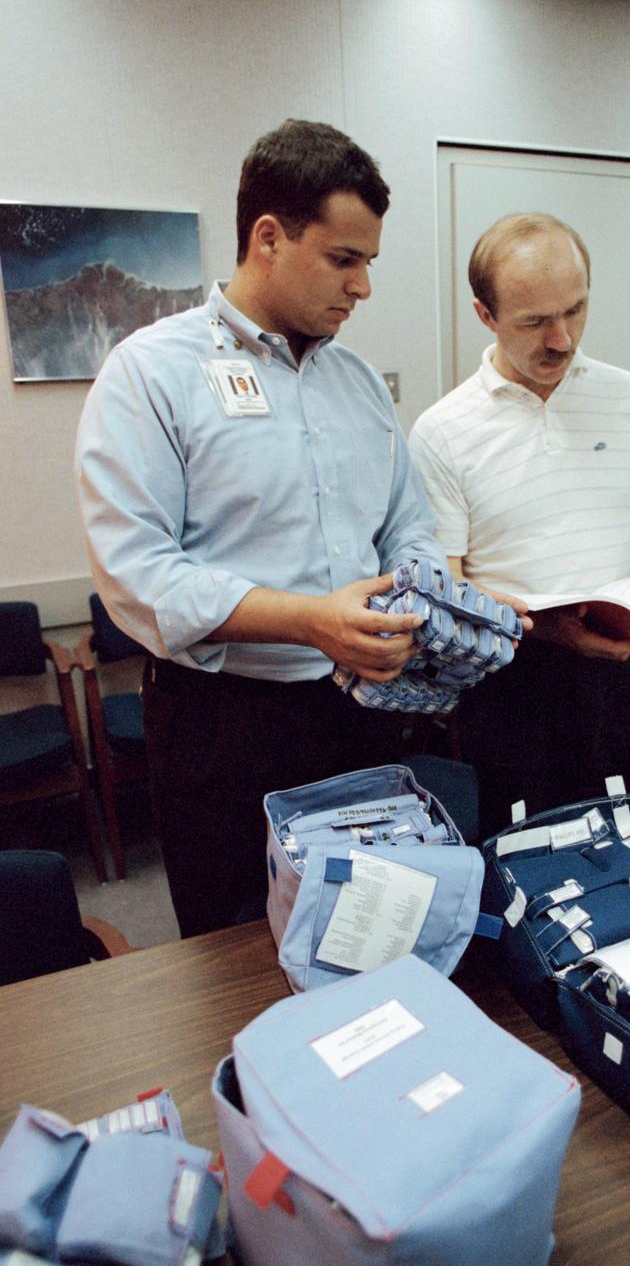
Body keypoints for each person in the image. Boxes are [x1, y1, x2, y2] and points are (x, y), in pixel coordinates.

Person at [75, 120, 448, 937]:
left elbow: (407, 525)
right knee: (233, 950)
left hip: (359, 710)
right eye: (344, 260)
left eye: (370, 263)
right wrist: (311, 621)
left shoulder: (358, 385)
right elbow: (137, 573)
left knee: (361, 931)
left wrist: (425, 598)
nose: (363, 288)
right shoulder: (150, 373)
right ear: (268, 238)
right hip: (221, 726)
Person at [409, 213, 630, 836]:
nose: (562, 340)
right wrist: (547, 630)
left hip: (622, 664)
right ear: (485, 315)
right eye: (535, 321)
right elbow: (445, 587)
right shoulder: (443, 431)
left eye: (576, 311)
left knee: (627, 833)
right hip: (512, 678)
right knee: (523, 849)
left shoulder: (628, 396)